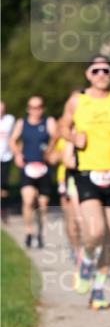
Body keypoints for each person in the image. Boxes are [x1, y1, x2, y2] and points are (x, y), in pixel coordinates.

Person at [61, 55, 110, 310]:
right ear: (88, 74)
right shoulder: (78, 100)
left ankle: (98, 288)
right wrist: (73, 138)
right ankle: (85, 259)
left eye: (106, 70)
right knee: (94, 232)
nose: (101, 74)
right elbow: (62, 126)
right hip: (88, 173)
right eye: (96, 70)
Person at [9, 96, 57, 247]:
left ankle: (40, 232)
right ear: (28, 108)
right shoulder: (21, 123)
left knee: (43, 204)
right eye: (33, 107)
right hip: (28, 166)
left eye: (39, 107)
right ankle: (29, 231)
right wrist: (17, 154)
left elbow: (56, 137)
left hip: (44, 167)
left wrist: (50, 150)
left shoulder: (48, 122)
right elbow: (12, 140)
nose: (36, 110)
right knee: (28, 200)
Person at [45, 118, 81, 263]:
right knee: (71, 218)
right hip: (66, 179)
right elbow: (50, 158)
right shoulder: (62, 133)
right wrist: (61, 153)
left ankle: (87, 250)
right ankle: (76, 249)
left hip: (89, 177)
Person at [0, 101, 16, 223]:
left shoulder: (10, 120)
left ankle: (4, 210)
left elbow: (14, 137)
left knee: (3, 185)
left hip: (5, 157)